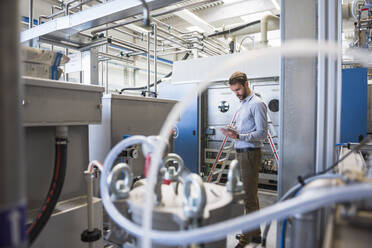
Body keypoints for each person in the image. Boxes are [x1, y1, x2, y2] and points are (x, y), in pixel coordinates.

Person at [221, 71, 268, 248]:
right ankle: (255, 233)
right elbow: (246, 129)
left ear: (247, 84)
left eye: (239, 89)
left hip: (250, 153)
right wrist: (233, 130)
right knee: (249, 195)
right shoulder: (243, 104)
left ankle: (247, 237)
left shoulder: (257, 104)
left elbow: (262, 134)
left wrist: (239, 135)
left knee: (248, 197)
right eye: (234, 91)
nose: (237, 94)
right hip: (241, 152)